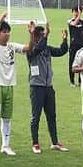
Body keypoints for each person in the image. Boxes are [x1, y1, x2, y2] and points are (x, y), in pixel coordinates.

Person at [0, 12, 27, 157]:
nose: (7, 34)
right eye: (4, 31)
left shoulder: (12, 46)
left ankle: (6, 145)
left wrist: (32, 33)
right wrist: (0, 20)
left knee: (7, 118)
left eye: (8, 31)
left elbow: (28, 48)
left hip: (9, 86)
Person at [26, 21, 70, 154]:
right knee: (36, 116)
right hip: (36, 87)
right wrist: (45, 36)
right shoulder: (31, 50)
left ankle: (55, 142)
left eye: (41, 35)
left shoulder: (47, 49)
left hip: (48, 87)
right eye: (38, 36)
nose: (40, 38)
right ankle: (35, 143)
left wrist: (64, 40)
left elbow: (61, 51)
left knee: (51, 115)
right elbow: (38, 48)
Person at [67, 5, 83, 85]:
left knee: (81, 62)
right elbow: (74, 24)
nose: (76, 13)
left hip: (82, 45)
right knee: (72, 62)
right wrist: (79, 15)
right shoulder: (70, 21)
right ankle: (72, 81)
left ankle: (80, 81)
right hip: (73, 45)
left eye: (77, 11)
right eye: (75, 11)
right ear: (72, 12)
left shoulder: (82, 21)